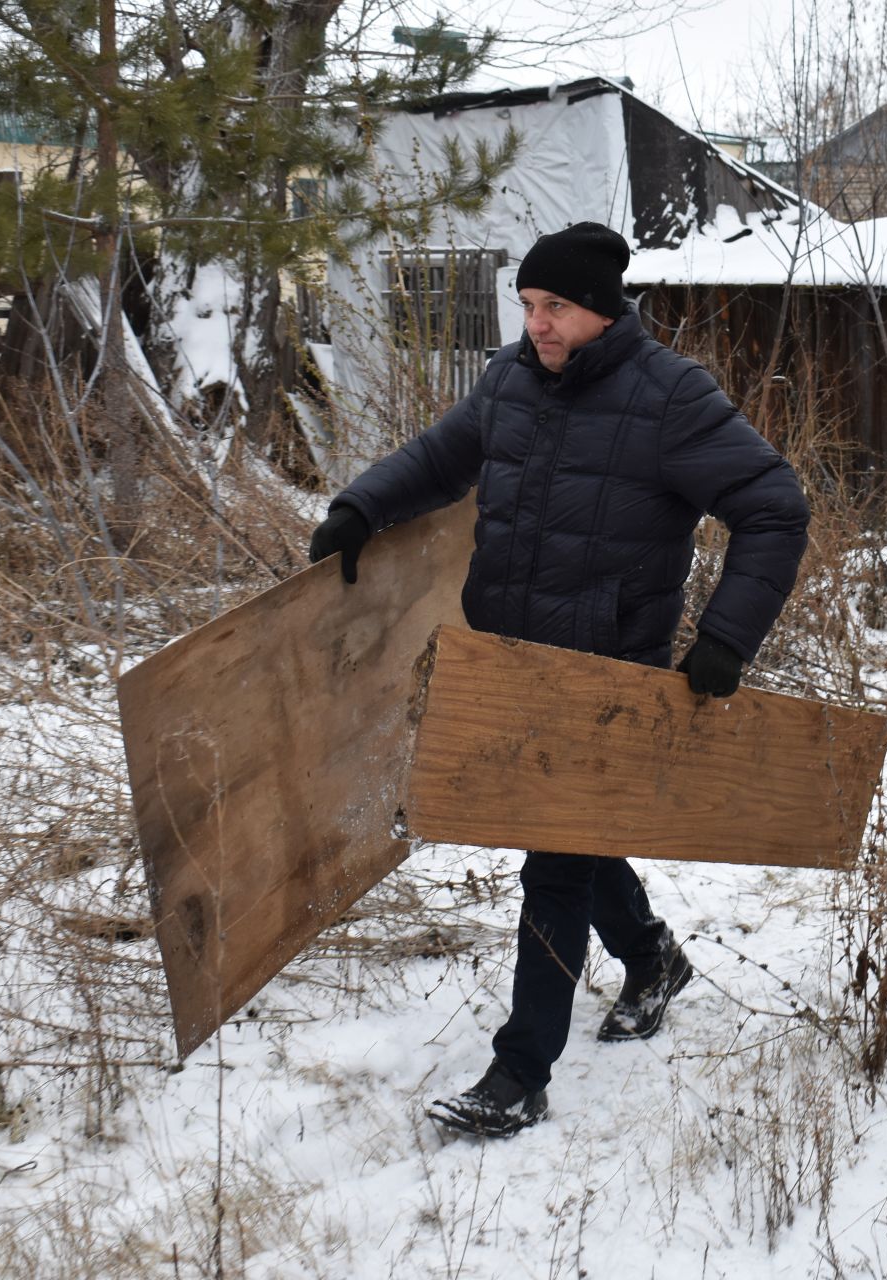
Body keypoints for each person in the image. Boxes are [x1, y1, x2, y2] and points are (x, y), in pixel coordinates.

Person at [306, 222, 810, 1138]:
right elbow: (440, 459)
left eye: (557, 309)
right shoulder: (510, 380)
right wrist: (360, 507)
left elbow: (774, 508)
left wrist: (726, 639)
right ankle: (652, 959)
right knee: (574, 836)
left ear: (603, 310)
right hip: (511, 662)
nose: (537, 324)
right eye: (530, 306)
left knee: (554, 862)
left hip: (607, 671)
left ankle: (520, 1069)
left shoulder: (670, 397)